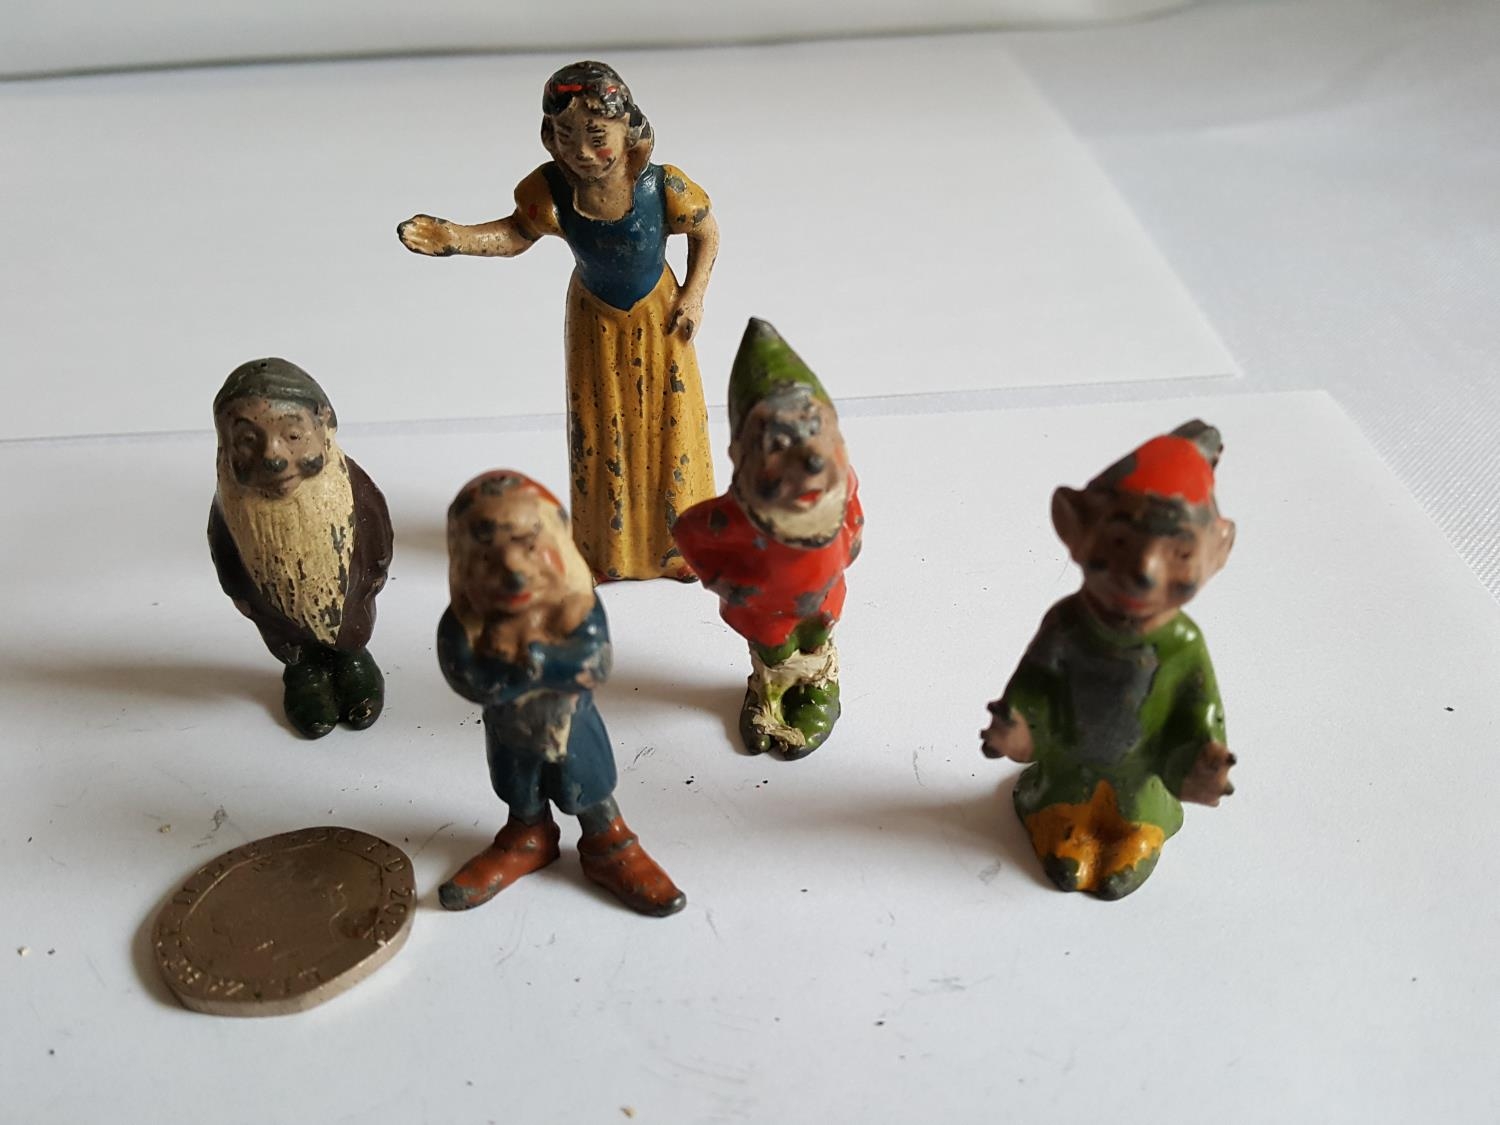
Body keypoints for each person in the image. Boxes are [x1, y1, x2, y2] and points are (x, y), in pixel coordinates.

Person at [398, 60, 718, 582]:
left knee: (672, 424)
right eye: (567, 137)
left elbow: (706, 233)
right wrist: (457, 238)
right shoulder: (550, 191)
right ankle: (606, 552)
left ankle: (680, 548)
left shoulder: (663, 186)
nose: (582, 152)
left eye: (597, 136)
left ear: (628, 130)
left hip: (660, 316)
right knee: (601, 429)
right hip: (595, 322)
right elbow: (515, 234)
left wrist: (694, 295)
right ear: (550, 137)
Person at [981, 421, 1237, 899]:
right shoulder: (1068, 624)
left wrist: (1202, 757)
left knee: (1134, 810)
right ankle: (1063, 824)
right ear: (1074, 526)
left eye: (1179, 552)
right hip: (1067, 765)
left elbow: (1200, 709)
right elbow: (1035, 682)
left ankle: (1135, 836)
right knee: (1063, 808)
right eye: (1121, 543)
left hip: (1140, 775)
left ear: (1218, 550)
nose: (1144, 572)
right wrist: (1019, 724)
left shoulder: (1181, 644)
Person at [436, 470, 686, 917]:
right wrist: (503, 676)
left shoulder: (576, 608)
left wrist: (538, 662)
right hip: (510, 733)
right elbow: (464, 676)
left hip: (573, 727)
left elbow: (595, 662)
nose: (514, 571)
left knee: (590, 791)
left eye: (529, 545)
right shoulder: (464, 623)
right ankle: (526, 835)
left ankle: (609, 844)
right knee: (520, 790)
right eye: (489, 556)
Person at [673, 320, 863, 759]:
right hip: (764, 611)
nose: (810, 460)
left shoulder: (840, 487)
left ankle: (817, 695)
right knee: (775, 653)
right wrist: (725, 581)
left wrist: (852, 537)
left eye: (816, 430)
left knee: (816, 644)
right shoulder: (735, 518)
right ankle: (770, 698)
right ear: (742, 456)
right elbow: (689, 533)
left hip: (825, 596)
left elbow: (853, 507)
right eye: (778, 444)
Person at [208, 358, 392, 739]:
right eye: (248, 441)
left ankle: (352, 662)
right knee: (295, 649)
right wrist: (240, 592)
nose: (273, 458)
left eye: (293, 435)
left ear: (324, 423)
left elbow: (378, 534)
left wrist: (373, 576)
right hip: (277, 619)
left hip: (350, 605)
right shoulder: (233, 509)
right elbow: (225, 554)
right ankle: (306, 674)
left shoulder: (350, 487)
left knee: (351, 636)